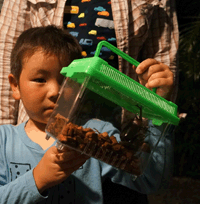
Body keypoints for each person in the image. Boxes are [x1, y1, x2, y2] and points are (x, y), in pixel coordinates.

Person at [0, 25, 175, 204]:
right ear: (15, 86)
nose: (55, 91)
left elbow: (151, 181)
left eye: (66, 79)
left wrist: (157, 110)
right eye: (40, 79)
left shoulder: (95, 134)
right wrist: (37, 179)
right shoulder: (3, 140)